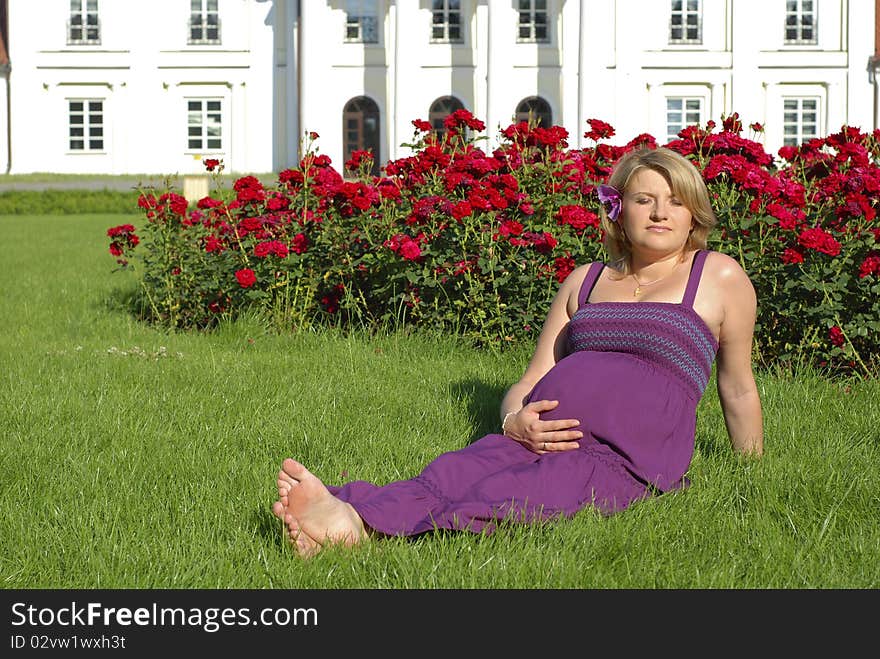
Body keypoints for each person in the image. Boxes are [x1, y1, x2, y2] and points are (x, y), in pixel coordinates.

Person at [272, 146, 764, 558]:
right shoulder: (586, 281)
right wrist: (514, 422)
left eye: (676, 202)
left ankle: (362, 529)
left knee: (517, 495)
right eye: (644, 199)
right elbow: (531, 381)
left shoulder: (717, 275)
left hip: (623, 457)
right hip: (536, 434)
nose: (660, 213)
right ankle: (347, 515)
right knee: (452, 470)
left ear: (693, 213)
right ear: (618, 209)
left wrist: (753, 474)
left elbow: (737, 385)